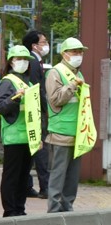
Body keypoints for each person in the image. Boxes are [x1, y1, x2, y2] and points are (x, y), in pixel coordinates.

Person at [46, 37, 88, 213]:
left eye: (80, 52)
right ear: (64, 54)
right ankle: (54, 209)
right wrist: (71, 85)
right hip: (60, 131)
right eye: (75, 52)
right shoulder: (56, 72)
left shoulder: (78, 74)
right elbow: (55, 100)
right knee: (58, 173)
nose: (79, 55)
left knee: (72, 175)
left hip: (77, 131)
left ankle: (67, 206)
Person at [0, 45, 35, 217]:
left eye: (26, 59)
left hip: (29, 136)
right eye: (19, 59)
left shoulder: (30, 83)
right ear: (11, 62)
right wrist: (15, 97)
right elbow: (1, 107)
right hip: (13, 137)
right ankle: (10, 210)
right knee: (12, 176)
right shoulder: (7, 82)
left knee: (23, 176)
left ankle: (20, 208)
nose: (23, 62)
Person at [22, 30, 50, 199]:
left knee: (32, 148)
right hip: (36, 111)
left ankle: (27, 186)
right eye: (43, 42)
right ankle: (45, 187)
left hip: (35, 110)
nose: (46, 45)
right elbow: (36, 89)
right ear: (34, 46)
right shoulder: (33, 61)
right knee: (40, 148)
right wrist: (45, 109)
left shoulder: (34, 61)